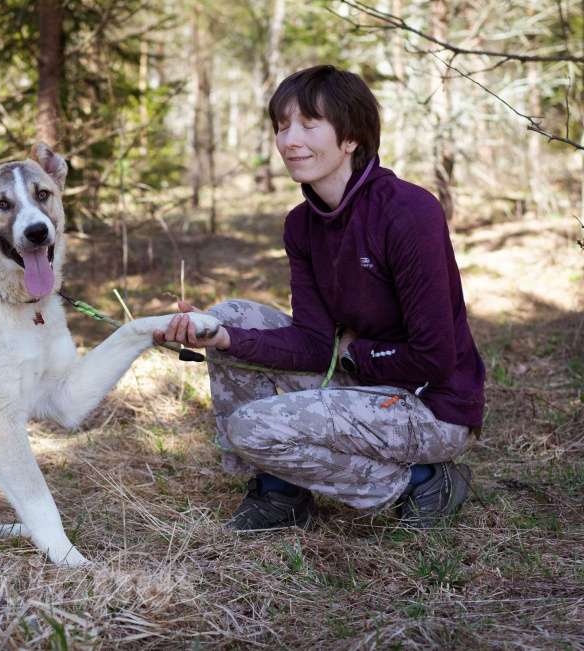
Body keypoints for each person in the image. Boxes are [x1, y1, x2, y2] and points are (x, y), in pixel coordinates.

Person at [154, 65, 486, 530]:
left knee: (251, 426)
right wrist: (224, 337)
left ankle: (423, 481)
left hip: (429, 406)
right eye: (282, 126)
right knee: (227, 314)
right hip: (365, 384)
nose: (290, 140)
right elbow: (313, 342)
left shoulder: (409, 212)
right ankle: (281, 493)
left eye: (309, 124)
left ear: (350, 137)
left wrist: (352, 353)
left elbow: (434, 355)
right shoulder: (302, 225)